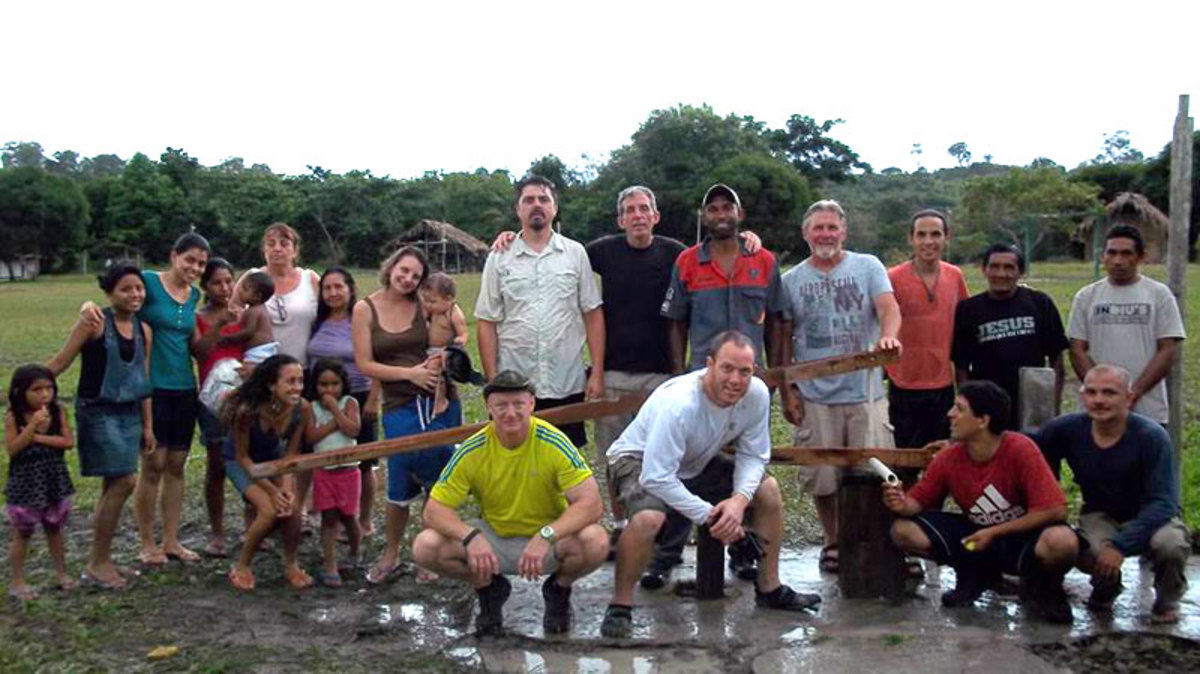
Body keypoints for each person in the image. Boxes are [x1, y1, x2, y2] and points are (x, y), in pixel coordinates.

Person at [600, 332, 821, 638]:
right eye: (727, 369)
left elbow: (753, 455)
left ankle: (770, 587)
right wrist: (712, 515)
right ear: (709, 364)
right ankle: (620, 604)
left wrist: (738, 502)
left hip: (694, 461)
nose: (735, 380)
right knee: (649, 518)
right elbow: (656, 476)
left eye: (744, 371)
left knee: (767, 490)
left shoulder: (756, 394)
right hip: (637, 459)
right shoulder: (679, 404)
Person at [650, 183, 786, 587]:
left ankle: (743, 553)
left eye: (728, 207)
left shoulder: (763, 261)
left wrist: (775, 377)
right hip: (702, 384)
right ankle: (666, 554)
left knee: (745, 467)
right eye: (713, 208)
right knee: (685, 467)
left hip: (748, 383)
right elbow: (675, 321)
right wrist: (679, 374)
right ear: (704, 217)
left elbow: (778, 320)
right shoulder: (688, 262)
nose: (721, 214)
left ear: (739, 215)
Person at [411, 370, 609, 636]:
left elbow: (592, 504)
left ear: (532, 404)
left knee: (596, 540)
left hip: (548, 539)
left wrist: (547, 534)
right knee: (425, 546)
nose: (511, 413)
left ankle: (559, 589)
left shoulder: (554, 442)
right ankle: (487, 588)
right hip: (495, 538)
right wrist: (470, 536)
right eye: (501, 405)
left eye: (518, 404)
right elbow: (434, 510)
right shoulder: (473, 449)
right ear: (488, 407)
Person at [882, 380, 1077, 623]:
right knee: (903, 530)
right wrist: (901, 502)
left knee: (1062, 541)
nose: (950, 414)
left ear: (982, 420)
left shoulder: (1020, 449)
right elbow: (918, 502)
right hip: (975, 538)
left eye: (960, 408)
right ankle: (975, 575)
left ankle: (1044, 587)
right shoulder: (948, 456)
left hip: (1021, 537)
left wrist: (994, 532)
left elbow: (1055, 510)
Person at [779, 199, 901, 574]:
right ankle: (833, 541)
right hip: (815, 395)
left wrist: (889, 336)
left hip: (865, 391)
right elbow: (784, 338)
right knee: (823, 477)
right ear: (806, 233)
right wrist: (788, 389)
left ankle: (871, 540)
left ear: (843, 232)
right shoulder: (790, 281)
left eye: (832, 227)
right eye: (818, 228)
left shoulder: (868, 266)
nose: (826, 234)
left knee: (874, 471)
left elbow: (888, 308)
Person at [82, 232, 211, 565]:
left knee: (176, 466)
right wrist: (87, 306)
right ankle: (147, 543)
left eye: (201, 263)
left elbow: (194, 343)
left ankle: (171, 541)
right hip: (150, 390)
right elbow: (117, 295)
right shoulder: (149, 283)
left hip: (185, 388)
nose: (195, 268)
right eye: (190, 260)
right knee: (152, 465)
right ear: (174, 255)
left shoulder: (194, 295)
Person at [1031, 364, 1191, 624]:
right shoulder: (1065, 430)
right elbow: (1029, 452)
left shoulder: (1152, 436)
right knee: (1092, 551)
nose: (1099, 400)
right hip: (1101, 513)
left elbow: (1163, 502)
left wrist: (1120, 546)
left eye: (1109, 393)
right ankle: (1105, 589)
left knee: (1170, 544)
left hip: (1152, 514)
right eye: (1091, 392)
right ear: (1082, 396)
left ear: (1128, 397)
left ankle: (1167, 598)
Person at [353, 246, 459, 584]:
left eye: (416, 275)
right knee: (400, 475)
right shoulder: (365, 309)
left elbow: (452, 320)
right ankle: (392, 552)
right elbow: (364, 363)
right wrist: (409, 374)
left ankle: (427, 553)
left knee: (437, 476)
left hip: (437, 400)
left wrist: (448, 353)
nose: (408, 278)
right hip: (398, 402)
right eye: (404, 270)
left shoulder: (423, 304)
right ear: (391, 267)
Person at [475, 174, 605, 449]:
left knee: (564, 460)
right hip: (514, 384)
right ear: (518, 209)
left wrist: (597, 372)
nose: (537, 204)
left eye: (544, 199)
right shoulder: (499, 257)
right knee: (514, 459)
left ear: (554, 208)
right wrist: (493, 381)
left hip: (566, 382)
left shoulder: (575, 253)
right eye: (529, 200)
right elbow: (486, 321)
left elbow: (592, 314)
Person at [47, 263, 153, 589]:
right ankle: (97, 563)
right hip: (98, 412)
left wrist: (148, 426)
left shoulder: (144, 330)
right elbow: (60, 361)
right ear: (109, 293)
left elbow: (143, 379)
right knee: (125, 481)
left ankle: (101, 558)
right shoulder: (93, 323)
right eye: (125, 289)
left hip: (130, 413)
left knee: (112, 486)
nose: (134, 294)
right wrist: (25, 387)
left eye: (139, 288)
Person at [1067, 225, 1186, 425]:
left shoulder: (1159, 295)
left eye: (1126, 253)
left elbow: (1167, 350)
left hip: (1148, 411)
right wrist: (1102, 393)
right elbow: (1077, 349)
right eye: (1111, 253)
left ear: (1141, 256)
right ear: (1103, 256)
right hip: (1099, 411)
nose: (1118, 261)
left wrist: (1131, 394)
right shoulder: (1086, 297)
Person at [222, 355, 314, 591]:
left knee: (292, 508)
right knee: (268, 510)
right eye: (290, 381)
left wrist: (285, 489)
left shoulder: (302, 408)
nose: (297, 387)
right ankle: (241, 565)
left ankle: (291, 564)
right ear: (272, 385)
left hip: (274, 461)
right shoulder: (247, 411)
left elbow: (290, 455)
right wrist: (273, 491)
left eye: (300, 381)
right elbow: (243, 457)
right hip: (241, 461)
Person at [952, 243, 1068, 430]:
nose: (1001, 274)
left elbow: (1057, 360)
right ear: (984, 270)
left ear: (1020, 272)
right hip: (987, 405)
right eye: (994, 266)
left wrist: (1051, 404)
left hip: (1031, 403)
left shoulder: (1040, 303)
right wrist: (969, 406)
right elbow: (961, 366)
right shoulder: (969, 309)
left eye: (1009, 267)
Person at [307, 267, 380, 538]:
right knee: (328, 460)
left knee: (364, 461)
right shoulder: (318, 322)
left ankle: (365, 520)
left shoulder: (361, 319)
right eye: (327, 288)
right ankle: (335, 519)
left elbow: (378, 360)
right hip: (322, 401)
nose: (333, 293)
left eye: (339, 287)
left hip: (358, 397)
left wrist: (373, 399)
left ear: (350, 289)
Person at [886, 209, 968, 448]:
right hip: (903, 383)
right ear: (911, 239)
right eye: (921, 235)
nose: (928, 241)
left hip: (943, 384)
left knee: (941, 453)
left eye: (935, 234)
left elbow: (965, 321)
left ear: (946, 237)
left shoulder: (955, 276)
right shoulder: (893, 277)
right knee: (905, 454)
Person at [4, 365, 76, 600]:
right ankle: (17, 580)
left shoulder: (58, 411)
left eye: (49, 388)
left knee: (54, 527)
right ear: (20, 392)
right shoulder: (13, 416)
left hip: (53, 478)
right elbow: (13, 448)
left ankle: (61, 573)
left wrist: (36, 437)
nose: (45, 394)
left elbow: (68, 442)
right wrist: (32, 426)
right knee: (23, 531)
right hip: (26, 482)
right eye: (37, 390)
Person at [192, 258, 243, 557]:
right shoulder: (199, 318)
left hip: (243, 398)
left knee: (250, 458)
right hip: (212, 401)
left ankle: (255, 525)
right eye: (216, 283)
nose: (224, 288)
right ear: (205, 287)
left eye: (228, 281)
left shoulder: (246, 314)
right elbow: (199, 352)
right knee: (217, 464)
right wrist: (220, 324)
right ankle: (217, 532)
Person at [304, 359, 362, 588]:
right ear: (315, 385)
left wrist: (336, 410)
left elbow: (353, 430)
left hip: (349, 471)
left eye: (334, 384)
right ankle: (330, 565)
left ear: (343, 383)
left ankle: (355, 553)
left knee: (349, 517)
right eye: (323, 385)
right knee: (328, 517)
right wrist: (333, 424)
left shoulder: (350, 403)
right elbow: (311, 437)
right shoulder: (312, 407)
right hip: (324, 472)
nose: (329, 390)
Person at [235, 222, 320, 363]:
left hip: (302, 368)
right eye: (271, 244)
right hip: (259, 367)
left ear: (295, 251)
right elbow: (232, 310)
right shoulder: (251, 277)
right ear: (264, 250)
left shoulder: (310, 279)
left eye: (284, 244)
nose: (277, 249)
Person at [420, 271, 468, 416]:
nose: (429, 305)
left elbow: (464, 333)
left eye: (432, 301)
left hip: (446, 351)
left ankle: (440, 399)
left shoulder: (453, 312)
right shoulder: (433, 311)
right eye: (426, 301)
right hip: (430, 349)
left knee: (434, 368)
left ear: (448, 299)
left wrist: (460, 340)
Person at [219, 271, 277, 364]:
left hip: (258, 352)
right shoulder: (262, 309)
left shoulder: (253, 311)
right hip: (267, 349)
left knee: (249, 371)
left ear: (257, 296)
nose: (240, 291)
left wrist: (228, 338)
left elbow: (248, 332)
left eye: (245, 289)